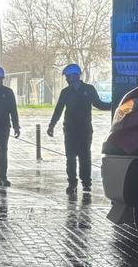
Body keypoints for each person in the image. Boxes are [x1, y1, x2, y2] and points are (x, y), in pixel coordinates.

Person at [47, 63, 111, 194]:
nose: (66, 79)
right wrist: (52, 125)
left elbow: (99, 104)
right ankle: (72, 183)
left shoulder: (89, 89)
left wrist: (112, 105)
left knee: (85, 157)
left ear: (75, 76)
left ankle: (86, 183)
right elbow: (58, 109)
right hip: (70, 130)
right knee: (70, 158)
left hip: (85, 129)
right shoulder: (65, 92)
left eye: (67, 76)